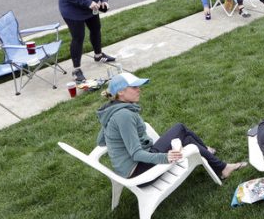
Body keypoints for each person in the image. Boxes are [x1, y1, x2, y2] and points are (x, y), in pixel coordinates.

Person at [96, 71, 245, 179]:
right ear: (121, 92)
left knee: (186, 139)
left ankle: (221, 166)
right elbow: (136, 154)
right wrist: (165, 157)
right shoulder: (123, 115)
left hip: (135, 165)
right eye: (134, 87)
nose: (139, 89)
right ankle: (210, 155)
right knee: (180, 128)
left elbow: (101, 140)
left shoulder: (112, 109)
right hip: (139, 172)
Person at [59, 0, 116, 83]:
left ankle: (98, 55)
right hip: (72, 10)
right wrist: (88, 2)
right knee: (78, 37)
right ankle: (76, 70)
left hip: (91, 7)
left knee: (96, 29)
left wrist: (104, 0)